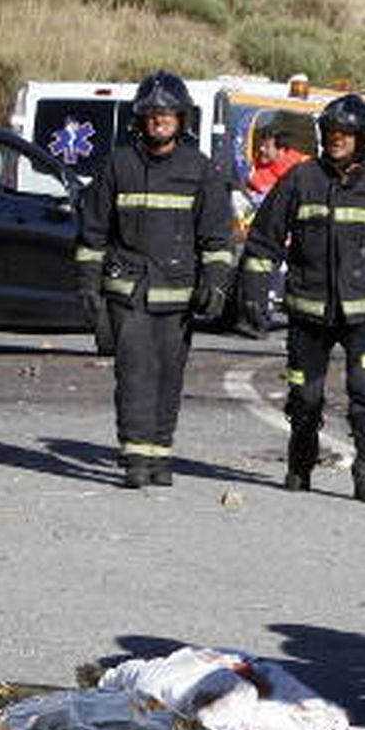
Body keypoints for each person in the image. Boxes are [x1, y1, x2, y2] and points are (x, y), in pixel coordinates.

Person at [237, 93, 365, 503]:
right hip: (308, 311)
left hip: (363, 315)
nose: (337, 139)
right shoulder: (301, 180)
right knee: (306, 394)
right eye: (331, 133)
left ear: (363, 138)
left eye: (346, 134)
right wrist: (251, 291)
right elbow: (264, 237)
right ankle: (300, 461)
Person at [75, 71, 234, 488]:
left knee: (169, 374)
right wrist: (88, 285)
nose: (158, 121)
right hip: (128, 292)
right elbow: (93, 231)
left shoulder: (200, 169)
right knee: (134, 372)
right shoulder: (118, 164)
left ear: (181, 119)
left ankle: (160, 456)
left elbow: (217, 237)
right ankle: (134, 457)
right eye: (150, 114)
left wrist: (216, 285)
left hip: (178, 296)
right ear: (139, 119)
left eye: (166, 114)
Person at [248, 130, 307, 202]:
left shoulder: (305, 167)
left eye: (267, 147)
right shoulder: (253, 168)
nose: (261, 149)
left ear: (281, 151)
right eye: (261, 145)